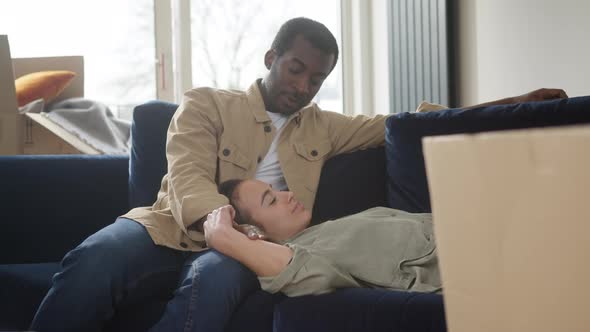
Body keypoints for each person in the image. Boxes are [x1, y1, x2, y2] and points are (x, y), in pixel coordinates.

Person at [30, 15, 567, 332]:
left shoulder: (323, 126)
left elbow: (409, 123)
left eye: (317, 78)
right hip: (169, 226)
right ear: (271, 57)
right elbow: (188, 174)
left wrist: (516, 102)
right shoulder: (207, 104)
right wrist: (223, 226)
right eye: (296, 69)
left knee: (214, 284)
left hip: (252, 242)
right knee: (96, 260)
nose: (304, 85)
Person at [207, 179, 441, 297]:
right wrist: (226, 237)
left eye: (277, 190)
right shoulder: (307, 254)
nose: (287, 194)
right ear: (253, 231)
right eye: (271, 200)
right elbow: (303, 273)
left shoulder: (325, 231)